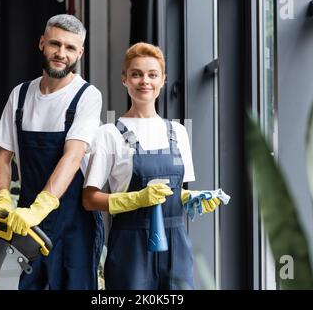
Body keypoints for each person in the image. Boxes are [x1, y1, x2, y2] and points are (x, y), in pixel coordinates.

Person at [82, 42, 225, 290]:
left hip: (176, 245)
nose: (144, 81)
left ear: (163, 80)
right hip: (130, 248)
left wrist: (193, 198)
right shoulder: (109, 133)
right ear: (124, 79)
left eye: (152, 75)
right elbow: (89, 198)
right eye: (136, 74)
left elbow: (175, 192)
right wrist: (135, 199)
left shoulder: (178, 132)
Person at [0, 14, 104, 290]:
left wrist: (42, 207)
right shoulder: (20, 95)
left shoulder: (87, 96)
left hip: (75, 224)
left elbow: (73, 156)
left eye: (70, 48)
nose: (61, 53)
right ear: (42, 43)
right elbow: (3, 157)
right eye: (55, 44)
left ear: (80, 53)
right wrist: (3, 198)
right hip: (26, 223)